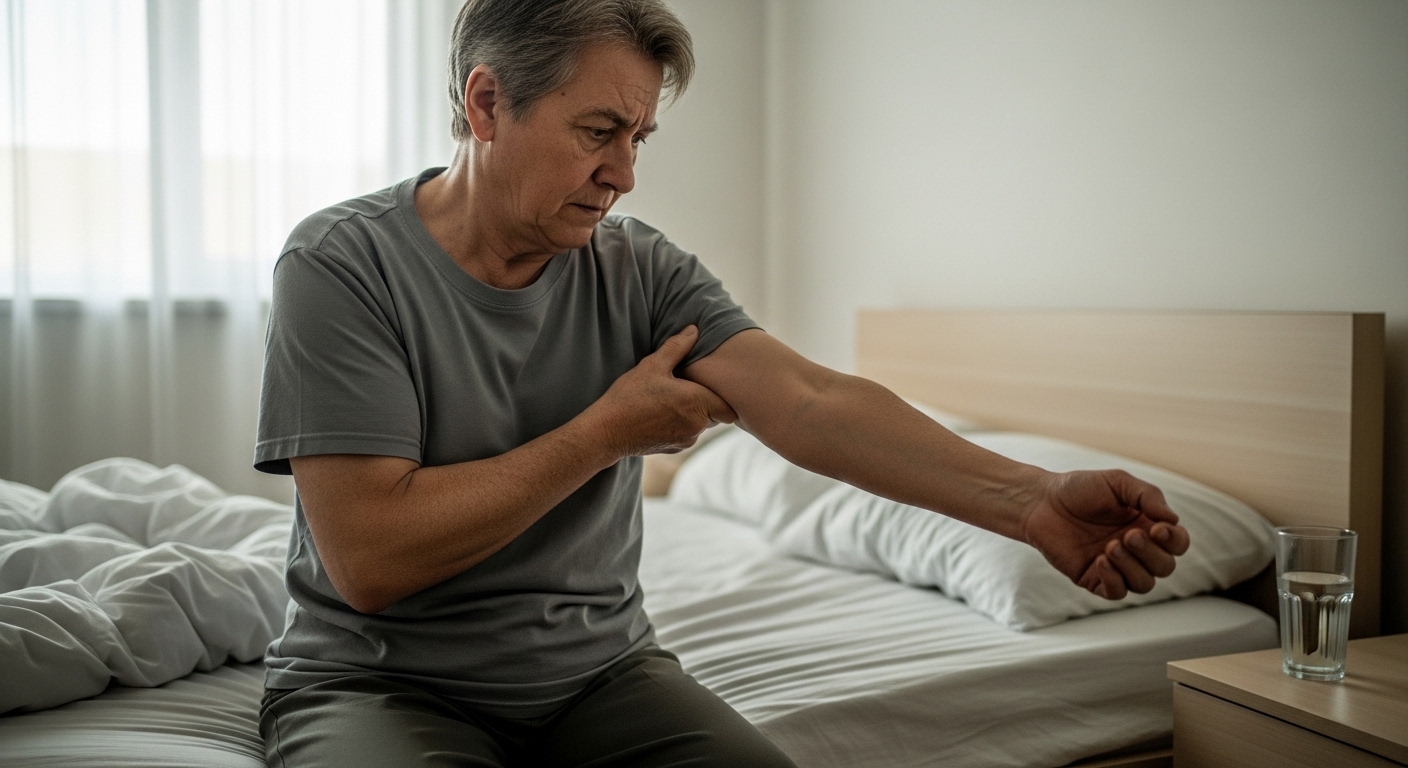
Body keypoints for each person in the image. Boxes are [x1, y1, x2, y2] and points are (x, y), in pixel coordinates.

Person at [252, 1, 1191, 765]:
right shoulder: (341, 266)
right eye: (598, 131)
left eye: (640, 138)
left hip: (600, 679)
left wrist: (1030, 503)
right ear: (488, 103)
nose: (622, 173)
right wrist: (604, 432)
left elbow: (813, 403)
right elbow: (372, 559)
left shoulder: (642, 272)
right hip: (378, 683)